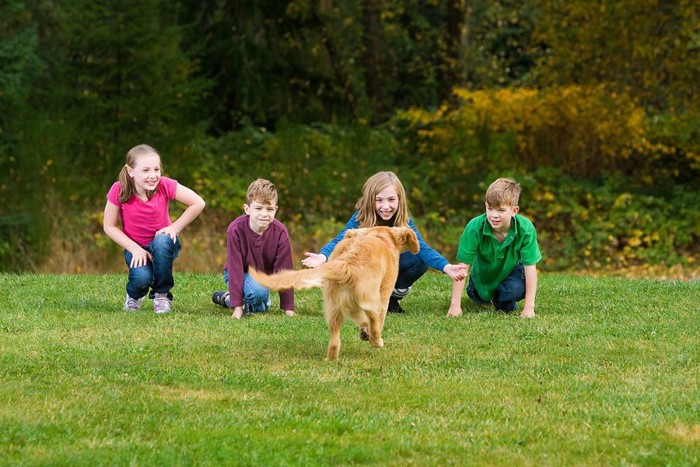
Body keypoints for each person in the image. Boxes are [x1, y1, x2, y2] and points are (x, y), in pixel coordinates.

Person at [302, 171, 467, 313]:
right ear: (369, 200)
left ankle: (391, 299)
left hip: (386, 268)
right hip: (365, 269)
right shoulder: (361, 218)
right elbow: (340, 239)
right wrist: (322, 256)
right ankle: (363, 298)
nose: (385, 206)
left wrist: (447, 267)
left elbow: (423, 248)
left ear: (399, 200)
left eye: (391, 200)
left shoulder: (404, 221)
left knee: (418, 259)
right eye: (379, 200)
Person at [103, 144, 205, 313]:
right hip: (135, 247)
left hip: (162, 245)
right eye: (146, 170)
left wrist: (174, 227)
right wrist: (135, 249)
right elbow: (109, 226)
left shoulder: (165, 185)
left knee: (162, 240)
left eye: (156, 169)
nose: (153, 175)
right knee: (142, 278)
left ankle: (162, 295)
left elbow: (198, 202)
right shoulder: (118, 190)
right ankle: (134, 296)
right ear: (131, 171)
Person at [447, 177, 541, 318]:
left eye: (501, 210)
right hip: (482, 278)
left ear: (514, 210)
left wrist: (529, 308)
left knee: (511, 292)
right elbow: (463, 266)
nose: (494, 215)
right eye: (490, 208)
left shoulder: (526, 229)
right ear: (485, 205)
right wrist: (455, 306)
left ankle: (503, 298)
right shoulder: (474, 228)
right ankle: (488, 295)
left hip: (511, 271)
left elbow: (530, 267)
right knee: (480, 297)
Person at [211, 179, 296, 320]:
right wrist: (237, 308)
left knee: (261, 303)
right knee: (258, 292)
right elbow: (235, 268)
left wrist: (288, 308)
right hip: (237, 272)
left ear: (276, 209)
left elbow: (284, 270)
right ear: (247, 209)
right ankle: (233, 299)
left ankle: (229, 297)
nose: (264, 214)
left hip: (262, 276)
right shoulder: (235, 229)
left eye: (269, 209)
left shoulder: (280, 232)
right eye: (258, 208)